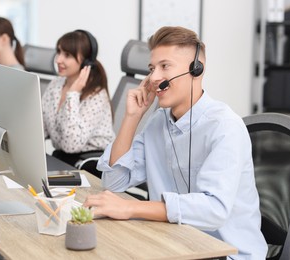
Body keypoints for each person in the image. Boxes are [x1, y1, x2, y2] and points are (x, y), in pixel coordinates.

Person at [84, 26, 268, 259]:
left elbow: (215, 210)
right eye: (152, 69)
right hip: (174, 244)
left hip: (226, 254)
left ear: (195, 70)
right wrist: (132, 117)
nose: (153, 78)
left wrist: (131, 207)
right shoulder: (157, 123)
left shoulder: (224, 127)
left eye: (165, 66)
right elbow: (114, 182)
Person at [42, 30, 114, 171]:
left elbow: (71, 145)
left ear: (86, 62)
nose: (58, 60)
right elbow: (41, 127)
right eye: (59, 52)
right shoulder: (56, 84)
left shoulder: (96, 95)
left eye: (67, 55)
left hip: (89, 165)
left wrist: (73, 94)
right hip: (63, 159)